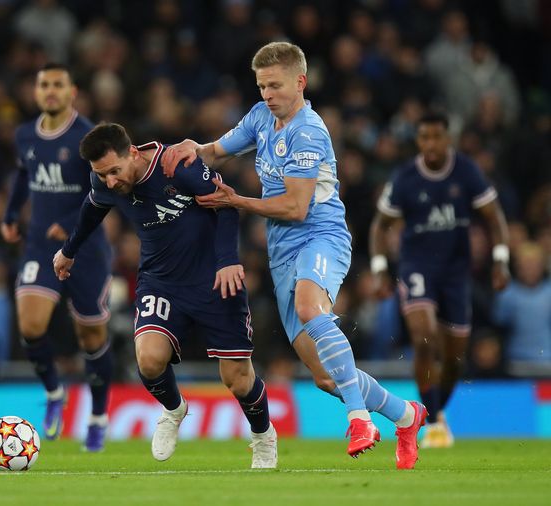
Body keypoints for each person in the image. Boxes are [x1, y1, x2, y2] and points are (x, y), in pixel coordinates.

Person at [161, 41, 425, 469]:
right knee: (324, 376)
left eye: (275, 86)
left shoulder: (308, 131)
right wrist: (192, 147)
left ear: (300, 82)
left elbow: (295, 207)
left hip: (321, 236)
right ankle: (407, 415)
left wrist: (235, 201)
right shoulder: (262, 116)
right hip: (283, 252)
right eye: (262, 85)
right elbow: (218, 150)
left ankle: (359, 418)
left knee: (309, 305)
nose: (267, 93)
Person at [53, 123, 278, 469]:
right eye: (102, 174)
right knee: (148, 359)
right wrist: (69, 251)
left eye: (114, 171)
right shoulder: (104, 181)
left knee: (237, 380)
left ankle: (263, 437)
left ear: (132, 153)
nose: (110, 181)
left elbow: (226, 205)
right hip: (161, 282)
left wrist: (228, 261)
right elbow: (92, 208)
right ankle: (174, 409)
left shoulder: (178, 164)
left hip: (215, 280)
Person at [370, 112, 510, 448]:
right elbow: (380, 225)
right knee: (424, 338)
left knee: (454, 357)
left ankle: (437, 412)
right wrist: (379, 268)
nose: (430, 144)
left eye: (437, 137)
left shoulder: (466, 172)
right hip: (417, 266)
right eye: (424, 138)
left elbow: (495, 217)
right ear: (418, 141)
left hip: (456, 272)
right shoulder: (406, 177)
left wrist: (501, 259)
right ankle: (431, 419)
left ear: (448, 139)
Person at [1, 64, 113, 452]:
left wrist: (68, 222)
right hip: (39, 246)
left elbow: (106, 189)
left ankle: (98, 417)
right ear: (36, 92)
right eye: (44, 85)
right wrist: (11, 214)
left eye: (57, 85)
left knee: (91, 336)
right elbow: (22, 175)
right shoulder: (25, 135)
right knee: (30, 325)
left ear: (72, 92)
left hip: (86, 248)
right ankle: (54, 393)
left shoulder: (88, 137)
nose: (50, 91)